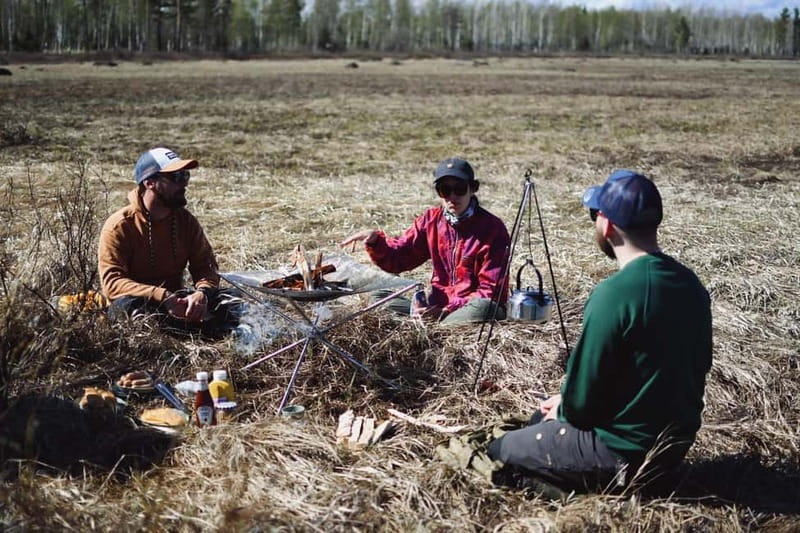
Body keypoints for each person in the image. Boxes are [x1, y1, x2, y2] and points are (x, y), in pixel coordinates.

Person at [488, 170, 713, 494]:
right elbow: (674, 372)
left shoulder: (614, 294)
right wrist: (566, 403)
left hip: (621, 453)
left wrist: (566, 408)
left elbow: (581, 409)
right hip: (670, 451)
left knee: (500, 451)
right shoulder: (691, 285)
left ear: (606, 224)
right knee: (539, 420)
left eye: (595, 215)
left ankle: (590, 490)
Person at [340, 157, 510, 325]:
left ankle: (437, 326)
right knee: (377, 297)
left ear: (473, 188)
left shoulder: (493, 228)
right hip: (435, 307)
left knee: (485, 307)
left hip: (469, 308)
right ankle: (431, 322)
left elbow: (491, 290)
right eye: (444, 190)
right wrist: (375, 241)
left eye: (459, 189)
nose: (452, 196)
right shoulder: (431, 220)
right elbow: (399, 258)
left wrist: (446, 311)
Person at [97, 147, 243, 335]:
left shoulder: (186, 221)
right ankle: (196, 331)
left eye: (185, 176)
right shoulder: (120, 226)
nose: (184, 184)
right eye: (176, 177)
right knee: (128, 309)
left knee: (232, 299)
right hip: (143, 303)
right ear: (150, 182)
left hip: (179, 302)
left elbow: (205, 266)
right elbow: (112, 283)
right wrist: (162, 296)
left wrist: (202, 293)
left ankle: (189, 328)